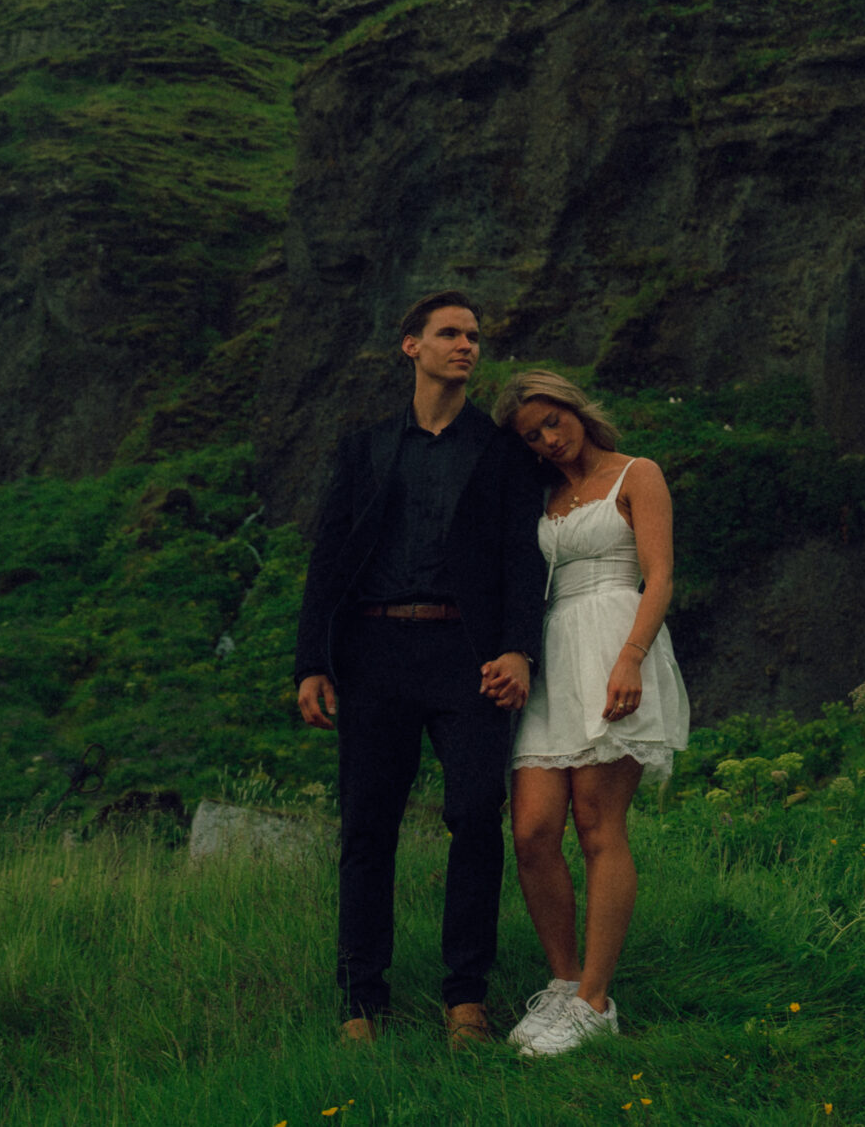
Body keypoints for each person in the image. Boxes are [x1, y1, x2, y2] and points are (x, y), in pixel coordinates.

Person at [293, 290, 548, 1048]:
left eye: (474, 334)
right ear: (412, 346)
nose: (467, 345)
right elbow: (329, 555)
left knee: (475, 814)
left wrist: (518, 648)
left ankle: (465, 997)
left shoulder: (500, 450)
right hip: (373, 654)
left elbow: (520, 555)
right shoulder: (367, 445)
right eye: (450, 333)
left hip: (465, 656)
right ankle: (358, 1001)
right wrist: (314, 660)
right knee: (366, 828)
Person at [490, 368, 690, 1057]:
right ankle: (563, 981)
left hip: (614, 638)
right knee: (533, 830)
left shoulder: (638, 472)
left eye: (554, 420)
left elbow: (659, 574)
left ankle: (595, 1001)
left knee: (598, 822)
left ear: (576, 409)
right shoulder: (542, 494)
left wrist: (632, 654)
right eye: (532, 433)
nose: (549, 437)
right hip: (552, 651)